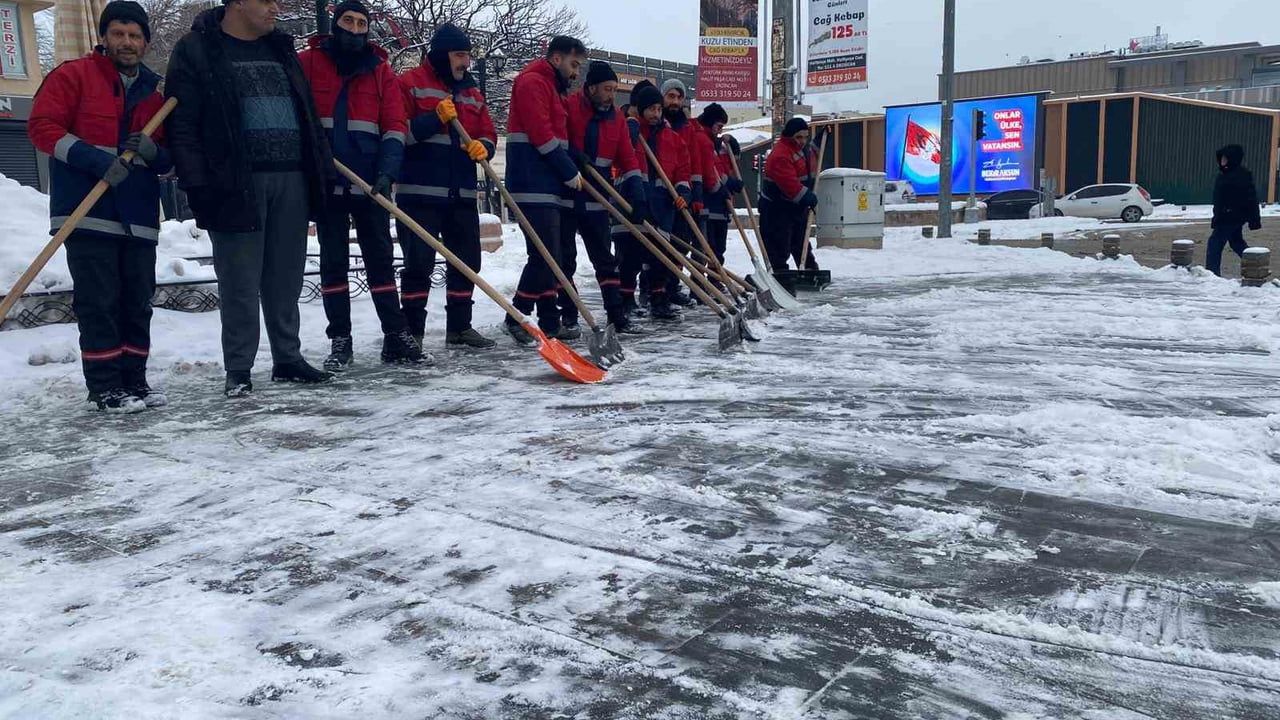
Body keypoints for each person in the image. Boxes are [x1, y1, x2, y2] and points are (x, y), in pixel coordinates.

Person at [166, 0, 335, 398]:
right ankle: (239, 368)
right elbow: (184, 124)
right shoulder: (197, 48)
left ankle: (287, 358)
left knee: (286, 276)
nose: (276, 8)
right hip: (235, 181)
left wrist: (319, 171)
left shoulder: (281, 48)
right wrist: (198, 186)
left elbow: (306, 113)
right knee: (239, 280)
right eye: (268, 1)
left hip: (291, 175)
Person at [27, 1, 172, 413]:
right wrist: (94, 160)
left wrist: (154, 151)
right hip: (87, 213)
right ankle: (106, 387)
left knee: (136, 303)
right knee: (99, 303)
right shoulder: (73, 76)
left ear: (145, 41)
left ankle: (135, 382)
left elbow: (171, 158)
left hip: (139, 217)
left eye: (135, 35)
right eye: (119, 34)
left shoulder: (156, 94)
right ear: (105, 37)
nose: (127, 42)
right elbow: (42, 128)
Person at [298, 1, 422, 371]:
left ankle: (395, 334)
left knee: (380, 261)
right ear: (335, 25)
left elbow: (394, 126)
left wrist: (386, 173)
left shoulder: (380, 71)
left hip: (369, 183)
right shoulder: (308, 64)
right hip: (327, 180)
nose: (354, 29)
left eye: (361, 23)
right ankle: (340, 339)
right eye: (347, 21)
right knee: (333, 262)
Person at [396, 22, 498, 350]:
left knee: (467, 260)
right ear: (441, 55)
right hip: (421, 193)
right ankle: (412, 330)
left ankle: (460, 327)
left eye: (467, 55)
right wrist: (433, 119)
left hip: (462, 192)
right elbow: (400, 134)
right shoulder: (409, 84)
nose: (465, 62)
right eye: (459, 55)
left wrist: (484, 146)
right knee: (419, 263)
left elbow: (488, 131)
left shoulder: (472, 93)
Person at [503, 35, 587, 345]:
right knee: (544, 255)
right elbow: (540, 134)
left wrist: (573, 157)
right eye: (574, 64)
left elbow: (558, 134)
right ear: (556, 59)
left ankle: (550, 321)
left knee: (552, 256)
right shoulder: (533, 82)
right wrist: (568, 170)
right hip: (531, 183)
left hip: (547, 185)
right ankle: (518, 316)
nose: (576, 72)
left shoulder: (552, 87)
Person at [561, 60, 648, 336]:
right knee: (565, 260)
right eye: (607, 89)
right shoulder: (570, 106)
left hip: (598, 196)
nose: (612, 95)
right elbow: (557, 136)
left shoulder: (616, 118)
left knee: (605, 260)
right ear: (591, 87)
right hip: (568, 193)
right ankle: (570, 316)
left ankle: (616, 315)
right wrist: (570, 154)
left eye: (614, 89)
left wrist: (637, 194)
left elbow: (628, 158)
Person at [624, 82, 691, 322]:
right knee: (630, 257)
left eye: (658, 109)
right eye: (651, 109)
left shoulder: (671, 137)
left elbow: (683, 169)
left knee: (660, 257)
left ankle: (659, 299)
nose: (656, 114)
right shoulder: (631, 131)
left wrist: (684, 193)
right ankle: (627, 300)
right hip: (634, 203)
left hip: (663, 205)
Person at [658, 78, 719, 304]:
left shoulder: (688, 128)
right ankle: (652, 290)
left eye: (679, 97)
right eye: (670, 96)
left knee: (680, 245)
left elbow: (695, 166)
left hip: (683, 194)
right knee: (658, 245)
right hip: (659, 192)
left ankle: (672, 287)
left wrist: (696, 196)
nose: (675, 101)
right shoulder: (656, 121)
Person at [759, 117, 819, 271]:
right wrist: (806, 196)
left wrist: (820, 141)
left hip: (794, 207)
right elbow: (789, 184)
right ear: (789, 136)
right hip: (777, 208)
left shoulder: (800, 150)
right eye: (799, 137)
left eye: (806, 137)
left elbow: (810, 159)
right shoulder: (781, 155)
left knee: (800, 243)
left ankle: (810, 271)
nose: (802, 141)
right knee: (779, 246)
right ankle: (780, 277)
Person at [697, 103, 745, 266]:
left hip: (722, 207)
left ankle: (716, 279)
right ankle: (704, 282)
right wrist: (728, 184)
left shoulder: (719, 146)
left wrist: (734, 145)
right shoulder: (702, 140)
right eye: (719, 126)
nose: (721, 130)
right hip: (708, 204)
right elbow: (710, 170)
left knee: (719, 248)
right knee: (708, 247)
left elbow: (731, 165)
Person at [1207, 144, 1263, 276]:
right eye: (1222, 158)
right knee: (1236, 243)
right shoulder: (1225, 175)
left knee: (1215, 243)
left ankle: (1212, 274)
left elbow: (1251, 198)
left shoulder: (1239, 176)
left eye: (1225, 158)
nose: (1222, 161)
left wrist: (1254, 220)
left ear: (1232, 159)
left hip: (1231, 216)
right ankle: (1255, 265)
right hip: (1227, 216)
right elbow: (1218, 200)